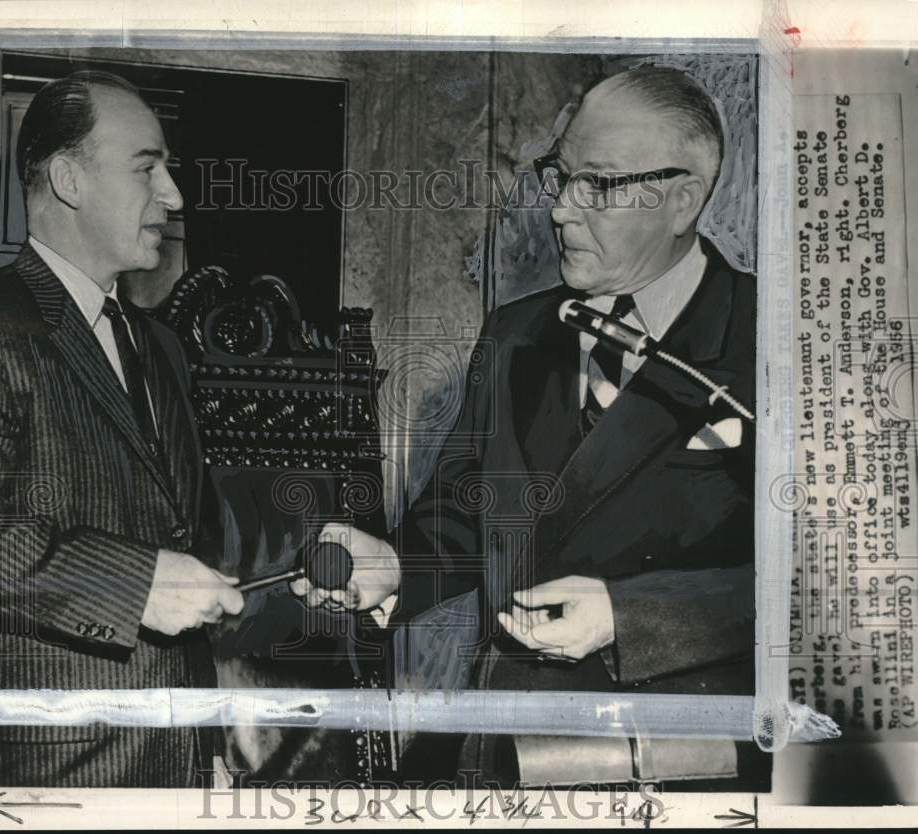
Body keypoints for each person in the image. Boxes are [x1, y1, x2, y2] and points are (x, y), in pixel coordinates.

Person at [293, 65, 763, 786]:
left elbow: (828, 582)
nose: (561, 210)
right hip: (507, 744)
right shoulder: (516, 332)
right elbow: (464, 510)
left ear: (683, 200)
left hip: (679, 761)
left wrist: (629, 616)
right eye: (560, 176)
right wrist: (394, 566)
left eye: (598, 185)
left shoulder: (780, 341)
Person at [0, 71, 244, 787]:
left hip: (180, 766)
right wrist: (134, 582)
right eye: (146, 168)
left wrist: (207, 747)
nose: (174, 196)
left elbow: (191, 541)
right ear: (69, 180)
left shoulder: (162, 348)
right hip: (51, 776)